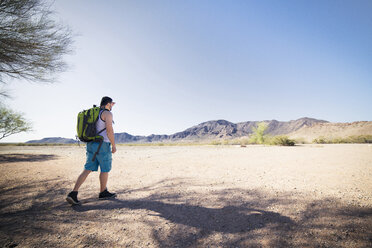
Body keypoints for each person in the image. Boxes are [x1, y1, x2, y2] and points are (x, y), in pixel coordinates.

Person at [66, 96, 117, 205]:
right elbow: (109, 130)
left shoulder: (95, 113)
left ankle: (73, 193)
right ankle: (103, 192)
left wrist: (109, 105)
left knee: (87, 169)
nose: (111, 106)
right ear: (108, 104)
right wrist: (113, 145)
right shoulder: (108, 114)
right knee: (105, 169)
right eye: (111, 104)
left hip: (91, 144)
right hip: (102, 145)